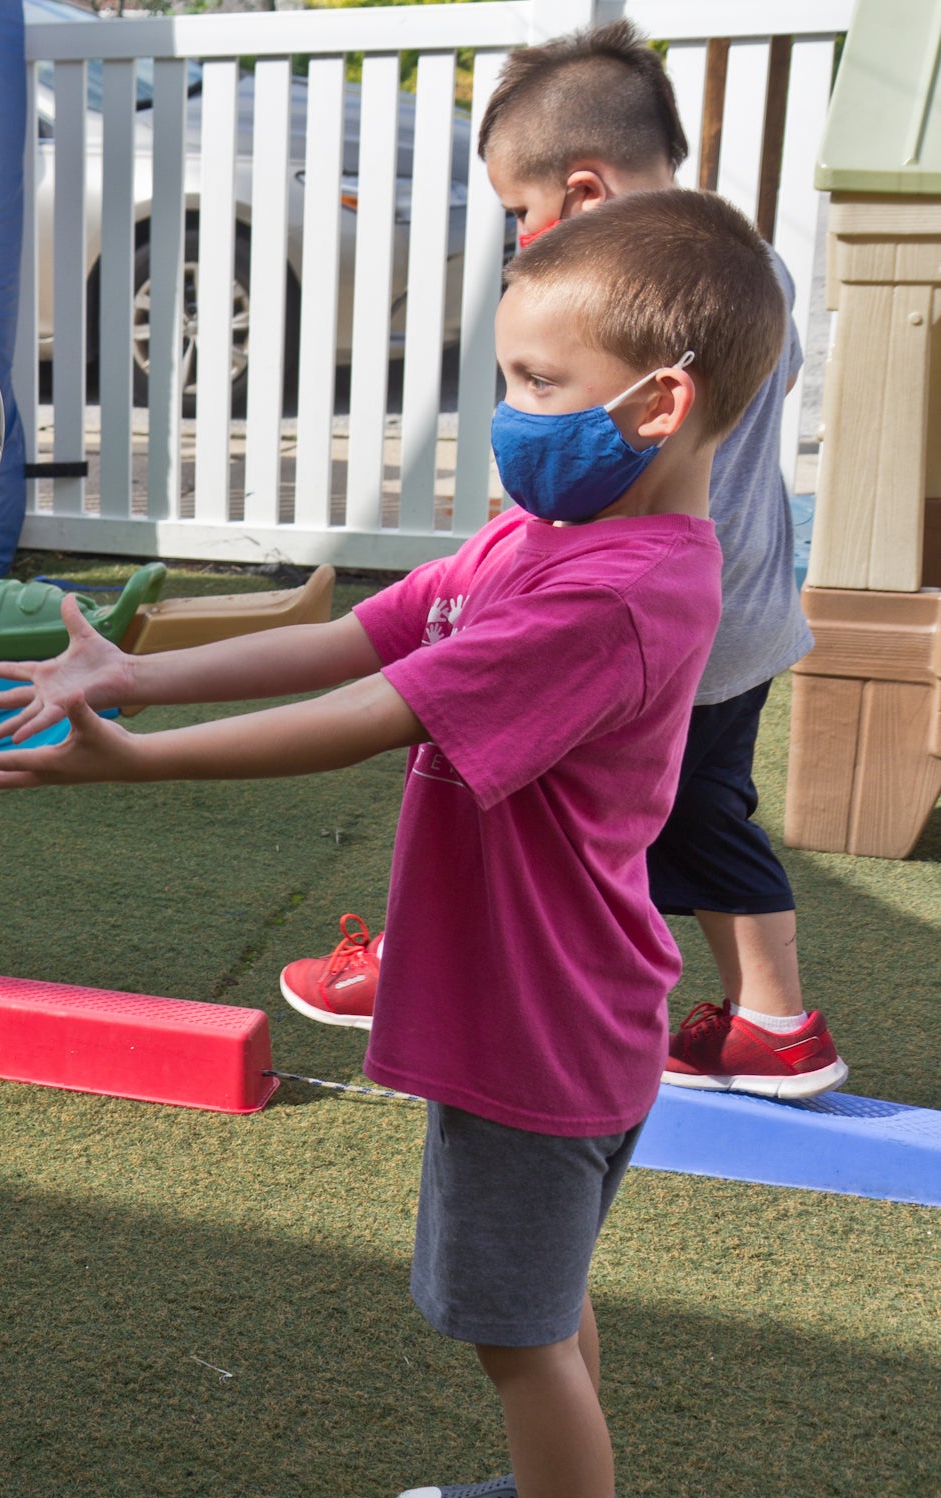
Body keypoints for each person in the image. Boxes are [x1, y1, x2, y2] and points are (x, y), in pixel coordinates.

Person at [0, 191, 786, 1498]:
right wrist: (138, 674)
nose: (510, 408)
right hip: (562, 1007)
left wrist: (137, 760)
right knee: (545, 1307)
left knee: (515, 1337)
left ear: (659, 405)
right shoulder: (547, 538)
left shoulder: (611, 593)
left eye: (536, 381)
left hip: (538, 1030)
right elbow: (360, 643)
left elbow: (370, 717)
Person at [276, 21, 846, 1103]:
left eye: (518, 213)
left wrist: (528, 575)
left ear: (583, 193)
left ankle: (768, 1022)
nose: (521, 236)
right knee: (685, 810)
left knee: (541, 790)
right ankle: (771, 1020)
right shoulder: (736, 271)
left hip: (657, 628)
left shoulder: (649, 324)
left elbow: (646, 495)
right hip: (730, 615)